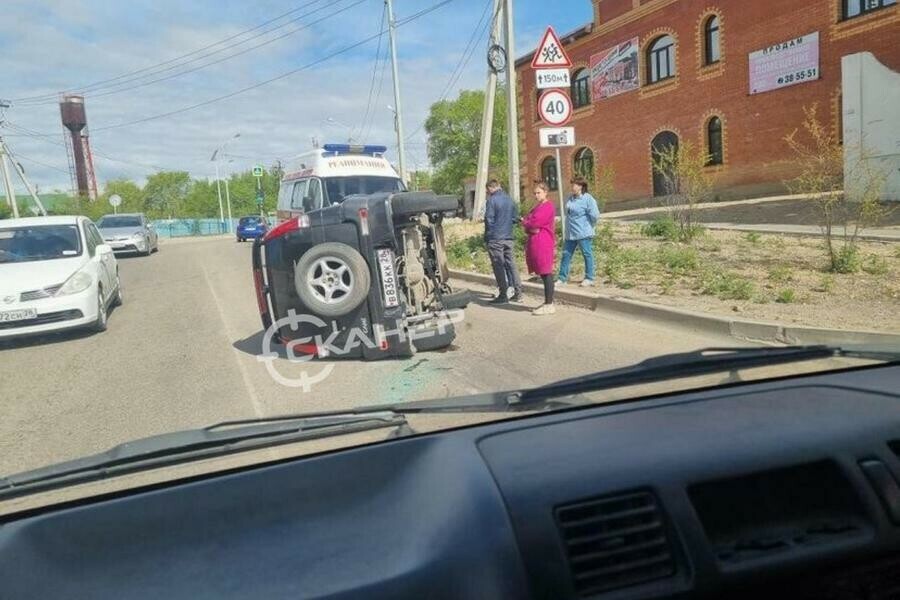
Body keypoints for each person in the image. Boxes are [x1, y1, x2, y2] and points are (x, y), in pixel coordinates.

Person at [557, 176, 600, 287]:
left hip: (583, 233)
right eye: (572, 184)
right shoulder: (570, 198)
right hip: (570, 233)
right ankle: (562, 278)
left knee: (587, 254)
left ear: (581, 186)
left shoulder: (588, 198)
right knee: (566, 254)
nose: (573, 187)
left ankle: (589, 277)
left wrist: (588, 226)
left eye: (575, 184)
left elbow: (595, 216)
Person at [484, 179, 522, 304]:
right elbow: (515, 218)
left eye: (487, 190)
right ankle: (518, 293)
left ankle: (503, 295)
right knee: (511, 265)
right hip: (508, 237)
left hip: (496, 238)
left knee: (498, 266)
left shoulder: (491, 200)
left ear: (490, 188)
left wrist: (489, 236)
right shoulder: (509, 199)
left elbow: (489, 219)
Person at [522, 182, 557, 315]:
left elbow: (534, 222)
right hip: (536, 241)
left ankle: (549, 304)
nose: (536, 195)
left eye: (539, 192)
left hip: (543, 241)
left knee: (546, 272)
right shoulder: (537, 206)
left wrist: (527, 223)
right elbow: (529, 221)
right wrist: (528, 224)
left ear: (545, 192)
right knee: (543, 273)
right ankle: (548, 302)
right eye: (535, 193)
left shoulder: (547, 206)